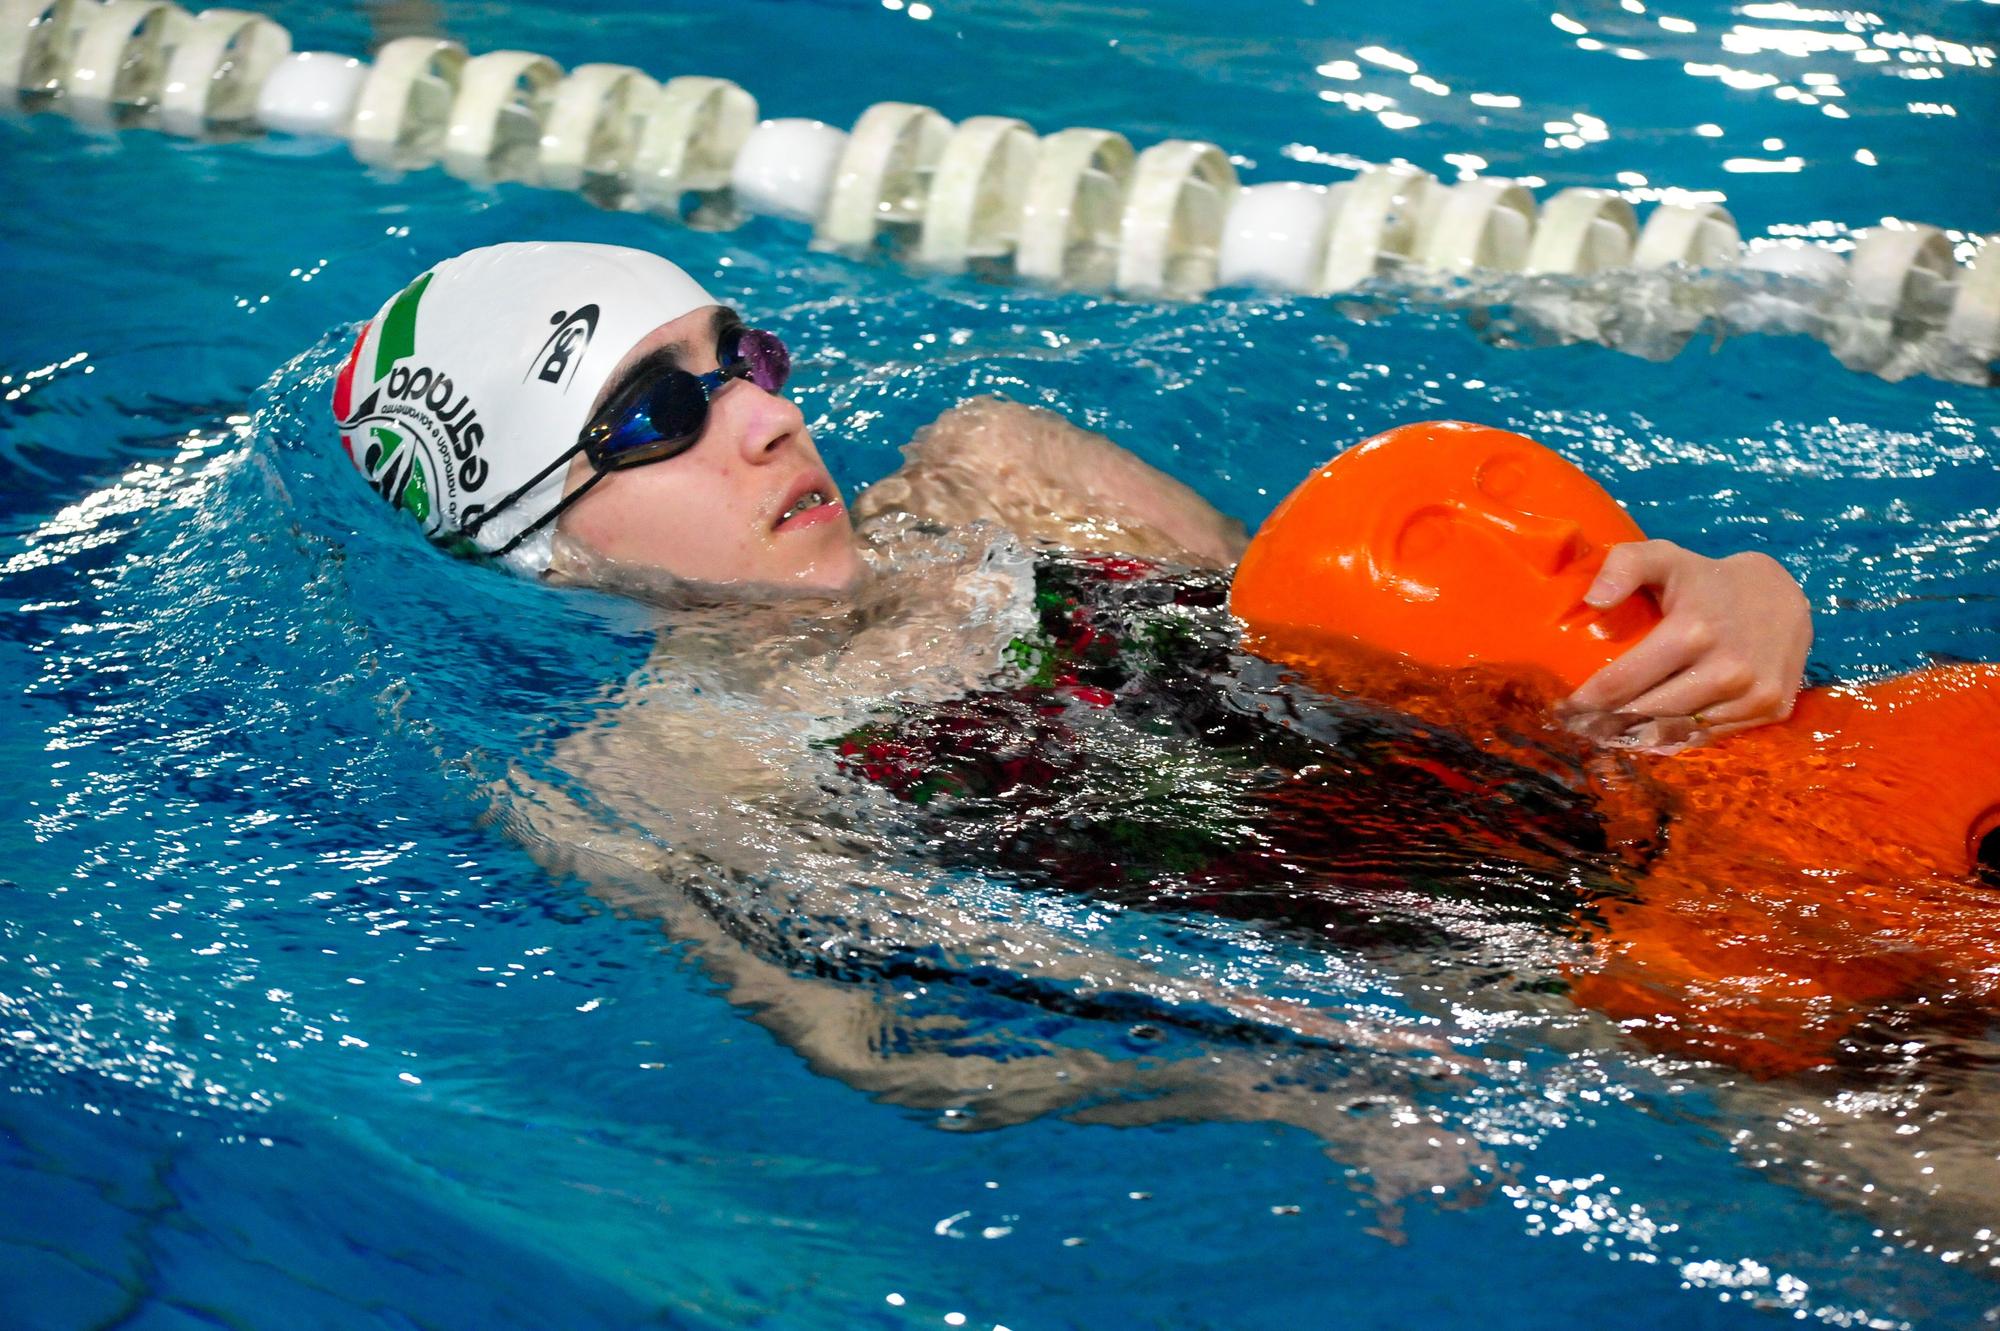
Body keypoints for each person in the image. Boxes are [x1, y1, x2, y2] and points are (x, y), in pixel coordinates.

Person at [330, 241, 1832, 1219]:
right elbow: (894, 1049)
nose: (767, 419)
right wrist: (1281, 1085)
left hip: (1756, 814)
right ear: (539, 548)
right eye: (659, 415)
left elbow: (1391, 643)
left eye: (743, 359)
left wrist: (1739, 595)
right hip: (1625, 1018)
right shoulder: (652, 777)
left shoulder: (1004, 477)